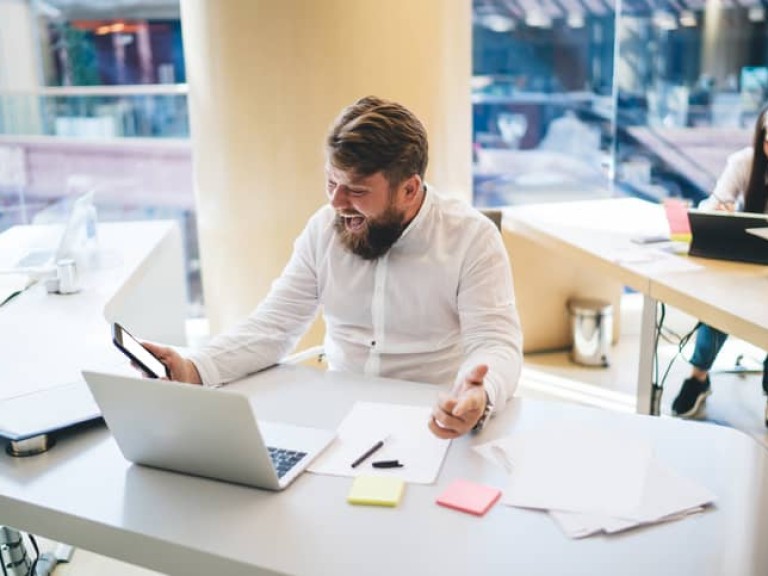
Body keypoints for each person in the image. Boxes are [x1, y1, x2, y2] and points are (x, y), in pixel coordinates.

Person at [144, 96, 524, 438]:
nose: (337, 203)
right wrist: (193, 368)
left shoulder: (472, 238)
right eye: (331, 183)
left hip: (432, 418)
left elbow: (495, 342)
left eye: (357, 191)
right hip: (339, 419)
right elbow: (274, 326)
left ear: (409, 189)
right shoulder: (323, 229)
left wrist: (478, 393)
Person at [671, 106, 768, 423]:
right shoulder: (744, 162)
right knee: (720, 304)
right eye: (767, 136)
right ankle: (699, 377)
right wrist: (720, 208)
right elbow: (711, 206)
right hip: (745, 262)